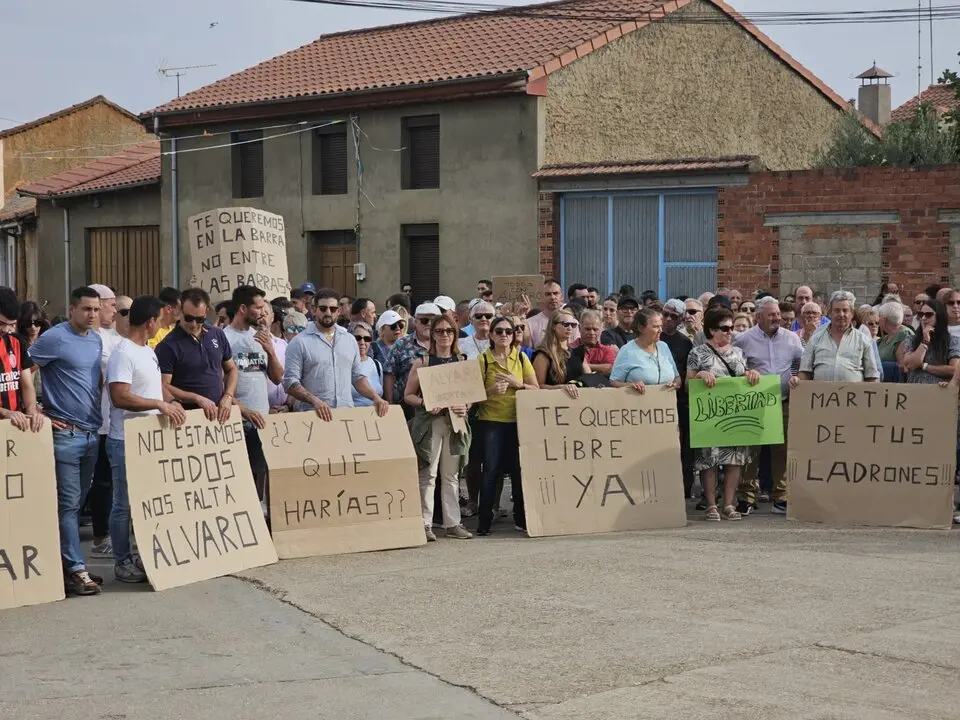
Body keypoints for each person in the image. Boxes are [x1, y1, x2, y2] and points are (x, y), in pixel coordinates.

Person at [106, 295, 187, 583]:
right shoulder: (123, 353)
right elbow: (120, 396)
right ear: (150, 321)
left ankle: (145, 555)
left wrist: (171, 401)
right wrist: (159, 405)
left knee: (147, 501)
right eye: (159, 321)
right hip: (125, 440)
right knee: (123, 504)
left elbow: (155, 391)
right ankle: (122, 561)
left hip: (149, 439)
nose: (160, 326)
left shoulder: (147, 351)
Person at [29, 287, 104, 596]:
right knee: (69, 505)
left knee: (76, 503)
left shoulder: (96, 339)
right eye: (86, 309)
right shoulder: (54, 338)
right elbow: (24, 369)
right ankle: (76, 569)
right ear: (72, 309)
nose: (92, 315)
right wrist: (35, 407)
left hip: (91, 434)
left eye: (96, 310)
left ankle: (65, 565)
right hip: (65, 435)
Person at [688, 307, 761, 522]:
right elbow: (687, 382)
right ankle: (711, 504)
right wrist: (700, 374)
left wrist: (751, 374)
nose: (730, 332)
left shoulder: (738, 353)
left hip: (734, 415)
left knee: (735, 460)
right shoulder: (697, 353)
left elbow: (743, 377)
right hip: (708, 416)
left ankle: (728, 504)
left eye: (731, 328)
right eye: (725, 328)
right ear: (712, 330)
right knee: (709, 460)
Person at [403, 315, 473, 541]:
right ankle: (425, 523)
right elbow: (408, 396)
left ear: (455, 334)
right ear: (432, 334)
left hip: (455, 423)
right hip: (430, 424)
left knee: (451, 475)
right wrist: (425, 403)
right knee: (428, 474)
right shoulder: (422, 362)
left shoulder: (462, 361)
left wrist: (466, 406)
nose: (445, 335)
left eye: (449, 331)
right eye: (440, 331)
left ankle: (453, 523)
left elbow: (469, 396)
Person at [733, 296, 803, 515]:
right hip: (754, 404)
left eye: (778, 314)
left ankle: (781, 496)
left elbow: (801, 365)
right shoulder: (743, 339)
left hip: (782, 402)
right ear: (759, 316)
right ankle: (746, 496)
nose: (777, 318)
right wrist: (745, 373)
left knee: (781, 451)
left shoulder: (792, 339)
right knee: (751, 451)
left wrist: (796, 378)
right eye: (772, 315)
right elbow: (734, 366)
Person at [475, 316, 538, 536]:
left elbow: (535, 388)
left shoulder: (520, 358)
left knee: (519, 472)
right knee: (491, 472)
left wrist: (517, 384)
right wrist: (491, 392)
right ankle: (484, 521)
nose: (504, 335)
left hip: (517, 421)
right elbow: (471, 396)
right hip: (491, 421)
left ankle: (521, 518)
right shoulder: (482, 360)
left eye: (509, 332)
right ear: (491, 335)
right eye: (499, 331)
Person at [284, 288, 389, 418]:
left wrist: (375, 397)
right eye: (323, 308)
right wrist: (315, 401)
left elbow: (357, 377)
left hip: (346, 416)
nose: (328, 313)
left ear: (338, 311)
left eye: (333, 309)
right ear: (314, 310)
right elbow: (290, 383)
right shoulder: (299, 342)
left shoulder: (349, 340)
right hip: (313, 417)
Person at [223, 285, 284, 502]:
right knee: (238, 476)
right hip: (235, 420)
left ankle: (261, 514)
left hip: (262, 419)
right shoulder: (224, 338)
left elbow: (277, 378)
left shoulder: (260, 337)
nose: (262, 312)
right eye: (258, 308)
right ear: (242, 309)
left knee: (262, 471)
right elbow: (220, 387)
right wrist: (242, 409)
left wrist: (270, 350)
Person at [155, 287, 238, 421]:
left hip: (219, 415)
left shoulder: (217, 334)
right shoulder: (167, 345)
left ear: (207, 313)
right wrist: (196, 398)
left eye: (200, 319)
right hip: (187, 418)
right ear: (180, 311)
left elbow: (231, 369)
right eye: (188, 318)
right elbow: (163, 385)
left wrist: (228, 396)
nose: (193, 324)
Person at [85, 283, 124, 560]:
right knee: (97, 483)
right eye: (112, 305)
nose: (114, 310)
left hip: (115, 421)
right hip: (89, 421)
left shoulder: (116, 339)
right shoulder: (76, 336)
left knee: (112, 482)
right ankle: (99, 536)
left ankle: (113, 533)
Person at [797, 291, 880, 384]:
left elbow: (872, 376)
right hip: (820, 396)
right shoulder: (816, 338)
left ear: (852, 314)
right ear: (830, 313)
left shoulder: (863, 340)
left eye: (845, 310)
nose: (841, 314)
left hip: (853, 397)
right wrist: (798, 382)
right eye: (837, 310)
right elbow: (804, 371)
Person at [660, 299, 695, 497]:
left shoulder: (685, 342)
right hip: (657, 400)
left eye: (673, 316)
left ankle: (685, 486)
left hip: (680, 401)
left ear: (680, 319)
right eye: (665, 314)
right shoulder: (654, 337)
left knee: (684, 446)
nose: (668, 319)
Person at [383, 302, 439, 413]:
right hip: (407, 408)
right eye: (424, 321)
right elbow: (389, 373)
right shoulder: (402, 344)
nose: (429, 324)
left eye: (433, 321)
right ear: (415, 322)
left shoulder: (445, 343)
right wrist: (390, 403)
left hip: (438, 408)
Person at [0, 291, 43, 432]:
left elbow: (26, 385)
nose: (6, 329)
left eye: (11, 324)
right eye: (1, 323)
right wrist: (5, 412)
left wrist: (31, 410)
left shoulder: (17, 341)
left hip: (14, 426)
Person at [610, 308, 681, 393]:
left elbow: (677, 378)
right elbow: (613, 382)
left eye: (661, 326)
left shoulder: (663, 346)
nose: (660, 330)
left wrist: (675, 385)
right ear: (641, 328)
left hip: (666, 404)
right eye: (655, 327)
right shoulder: (627, 351)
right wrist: (631, 385)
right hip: (638, 404)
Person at [899, 299, 960, 384]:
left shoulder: (953, 341)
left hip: (939, 391)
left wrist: (924, 366)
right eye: (921, 315)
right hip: (914, 389)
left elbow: (954, 370)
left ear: (939, 316)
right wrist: (925, 341)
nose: (923, 318)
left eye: (928, 315)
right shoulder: (911, 339)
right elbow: (910, 365)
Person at [531, 309, 582, 398]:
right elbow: (537, 386)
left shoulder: (578, 352)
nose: (570, 328)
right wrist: (561, 387)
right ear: (554, 326)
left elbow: (587, 375)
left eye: (573, 325)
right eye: (565, 324)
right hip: (553, 404)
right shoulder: (543, 355)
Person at [348, 321, 384, 408]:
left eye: (367, 338)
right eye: (358, 338)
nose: (362, 342)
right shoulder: (344, 365)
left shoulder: (376, 365)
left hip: (375, 417)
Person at [574, 309, 616, 377]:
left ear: (601, 329)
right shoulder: (570, 348)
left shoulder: (606, 351)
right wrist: (599, 368)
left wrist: (584, 365)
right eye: (587, 329)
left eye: (595, 329)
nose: (591, 333)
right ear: (579, 328)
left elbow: (610, 368)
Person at [527, 279, 568, 348]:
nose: (552, 297)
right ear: (541, 297)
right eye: (548, 294)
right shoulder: (530, 323)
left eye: (556, 293)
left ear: (562, 296)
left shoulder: (572, 322)